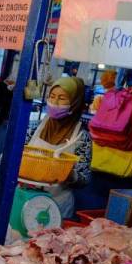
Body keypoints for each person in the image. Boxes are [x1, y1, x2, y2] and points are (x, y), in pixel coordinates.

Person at [26, 77, 92, 218]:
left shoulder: (81, 138)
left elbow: (84, 178)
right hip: (25, 198)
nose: (54, 103)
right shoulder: (33, 127)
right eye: (52, 96)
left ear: (75, 103)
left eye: (62, 98)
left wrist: (70, 174)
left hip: (57, 205)